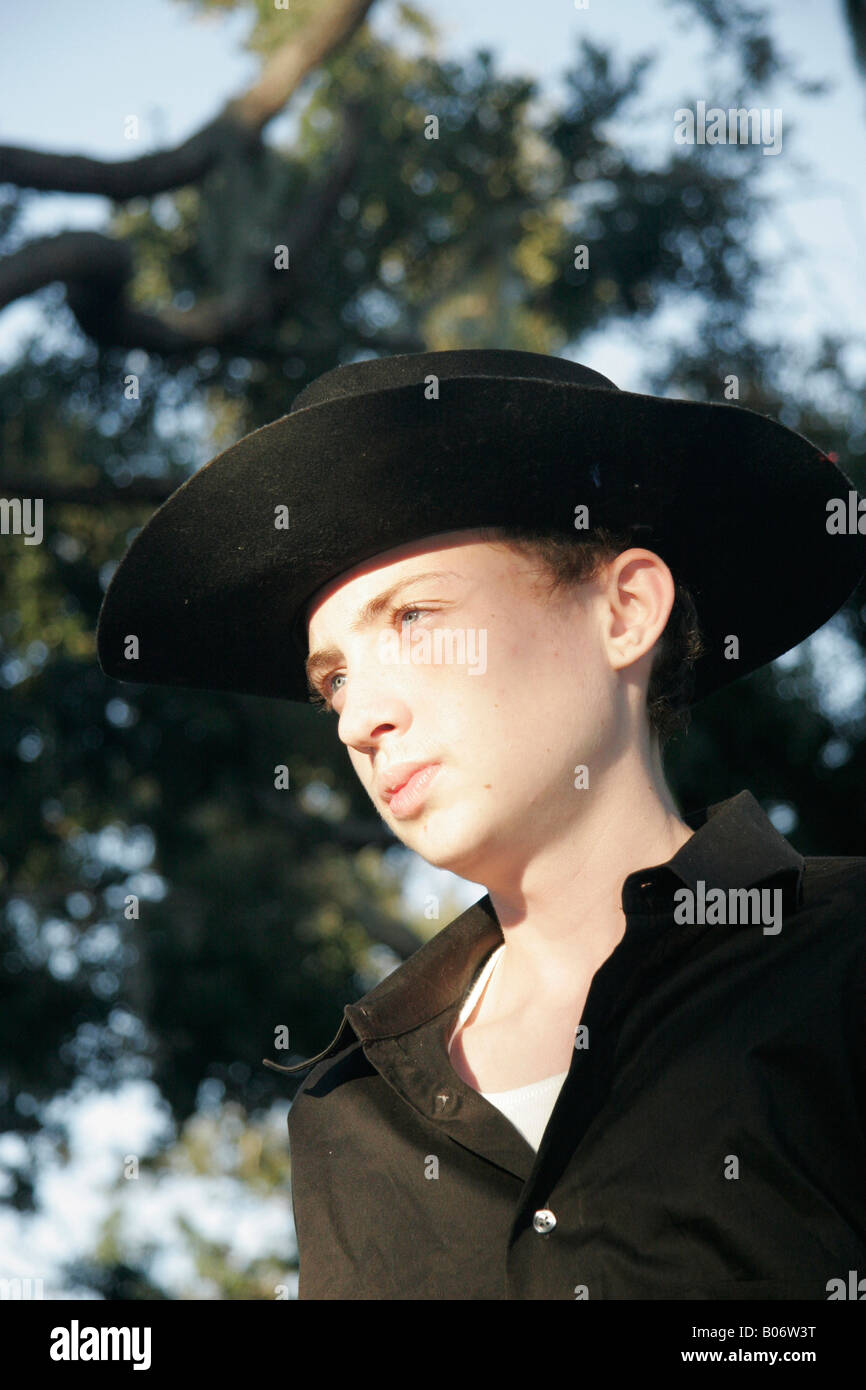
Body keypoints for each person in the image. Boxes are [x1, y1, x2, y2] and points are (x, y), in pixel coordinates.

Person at [97, 348, 866, 1300]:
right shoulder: (351, 1114)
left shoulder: (838, 960)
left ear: (625, 611)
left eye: (415, 617)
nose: (355, 716)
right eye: (332, 678)